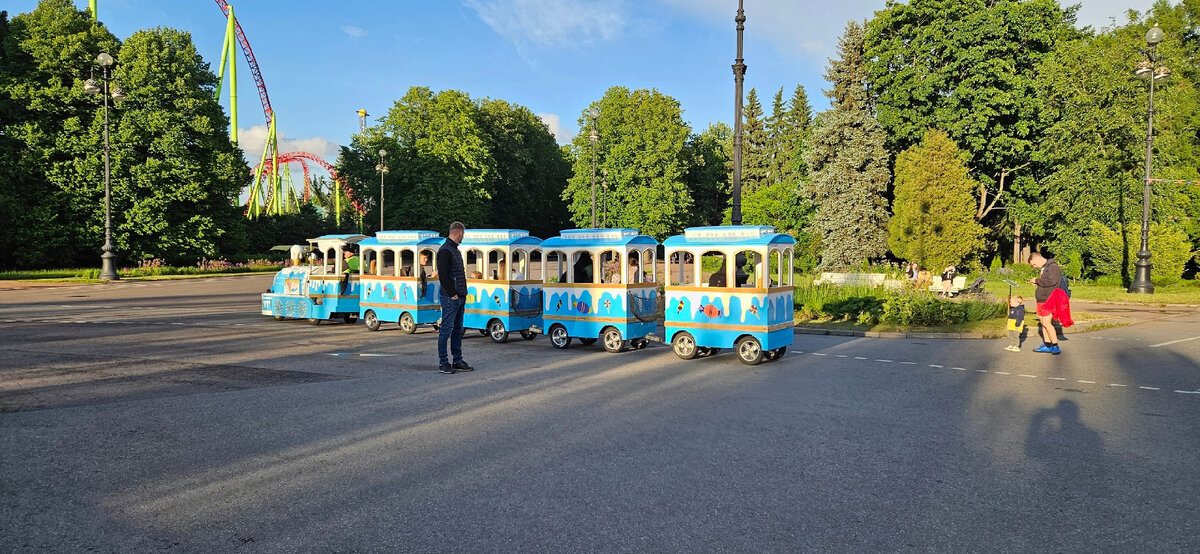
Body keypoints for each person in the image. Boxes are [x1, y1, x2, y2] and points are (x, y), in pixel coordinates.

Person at [436, 222, 473, 374]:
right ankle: (443, 362)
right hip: (451, 297)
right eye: (462, 234)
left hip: (459, 296)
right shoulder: (445, 251)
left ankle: (457, 360)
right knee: (446, 330)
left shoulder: (454, 250)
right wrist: (453, 294)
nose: (463, 236)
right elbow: (443, 276)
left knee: (457, 330)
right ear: (458, 232)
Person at [1028, 251, 1073, 354]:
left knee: (1046, 323)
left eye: (1034, 264)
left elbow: (1052, 282)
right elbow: (1047, 282)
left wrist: (1037, 281)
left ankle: (1055, 345)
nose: (1035, 266)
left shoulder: (1053, 267)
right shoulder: (1045, 267)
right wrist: (1037, 282)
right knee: (1042, 322)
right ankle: (1047, 344)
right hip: (1041, 298)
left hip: (1049, 299)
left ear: (1037, 259)